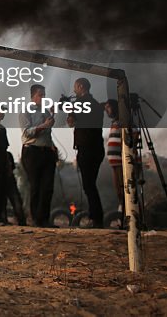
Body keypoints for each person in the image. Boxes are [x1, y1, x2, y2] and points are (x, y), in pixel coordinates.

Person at [66, 77, 105, 228]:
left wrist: (68, 109)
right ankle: (96, 216)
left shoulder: (81, 104)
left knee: (88, 185)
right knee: (91, 184)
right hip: (96, 148)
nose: (74, 90)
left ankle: (96, 217)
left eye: (75, 87)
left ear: (81, 87)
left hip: (87, 149)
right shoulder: (95, 104)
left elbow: (71, 122)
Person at [19, 84, 57, 227]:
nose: (43, 97)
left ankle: (44, 219)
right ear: (33, 95)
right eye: (40, 95)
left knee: (47, 187)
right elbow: (27, 132)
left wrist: (52, 116)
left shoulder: (46, 112)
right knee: (35, 186)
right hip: (32, 151)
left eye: (44, 94)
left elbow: (48, 133)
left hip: (46, 151)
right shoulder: (25, 111)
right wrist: (44, 125)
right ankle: (34, 219)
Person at [4, 151, 27, 226]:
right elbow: (12, 168)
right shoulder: (8, 155)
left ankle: (20, 220)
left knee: (14, 201)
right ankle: (21, 221)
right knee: (16, 200)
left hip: (5, 180)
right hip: (9, 179)